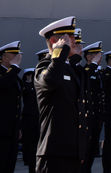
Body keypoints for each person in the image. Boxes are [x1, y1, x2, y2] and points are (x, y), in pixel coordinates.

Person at [35, 16, 87, 173]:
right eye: (69, 37)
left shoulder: (71, 69)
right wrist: (58, 53)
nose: (74, 41)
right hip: (53, 154)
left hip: (73, 152)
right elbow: (50, 81)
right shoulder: (44, 67)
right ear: (54, 41)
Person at [80, 41, 104, 173]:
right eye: (95, 54)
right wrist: (93, 64)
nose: (99, 57)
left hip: (97, 115)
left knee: (93, 148)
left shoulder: (98, 72)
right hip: (88, 116)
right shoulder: (86, 71)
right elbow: (86, 78)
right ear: (88, 57)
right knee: (86, 147)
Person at [0, 41, 23, 173]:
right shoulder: (8, 74)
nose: (17, 57)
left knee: (10, 163)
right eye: (13, 54)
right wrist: (14, 68)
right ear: (3, 57)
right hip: (1, 128)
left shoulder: (13, 75)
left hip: (12, 128)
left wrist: (18, 126)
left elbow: (17, 103)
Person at [21, 67, 40, 173]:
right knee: (28, 140)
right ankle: (27, 158)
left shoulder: (35, 85)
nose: (30, 77)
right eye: (28, 75)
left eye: (31, 75)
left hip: (36, 115)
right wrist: (28, 81)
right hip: (28, 116)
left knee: (36, 139)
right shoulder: (25, 86)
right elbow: (25, 92)